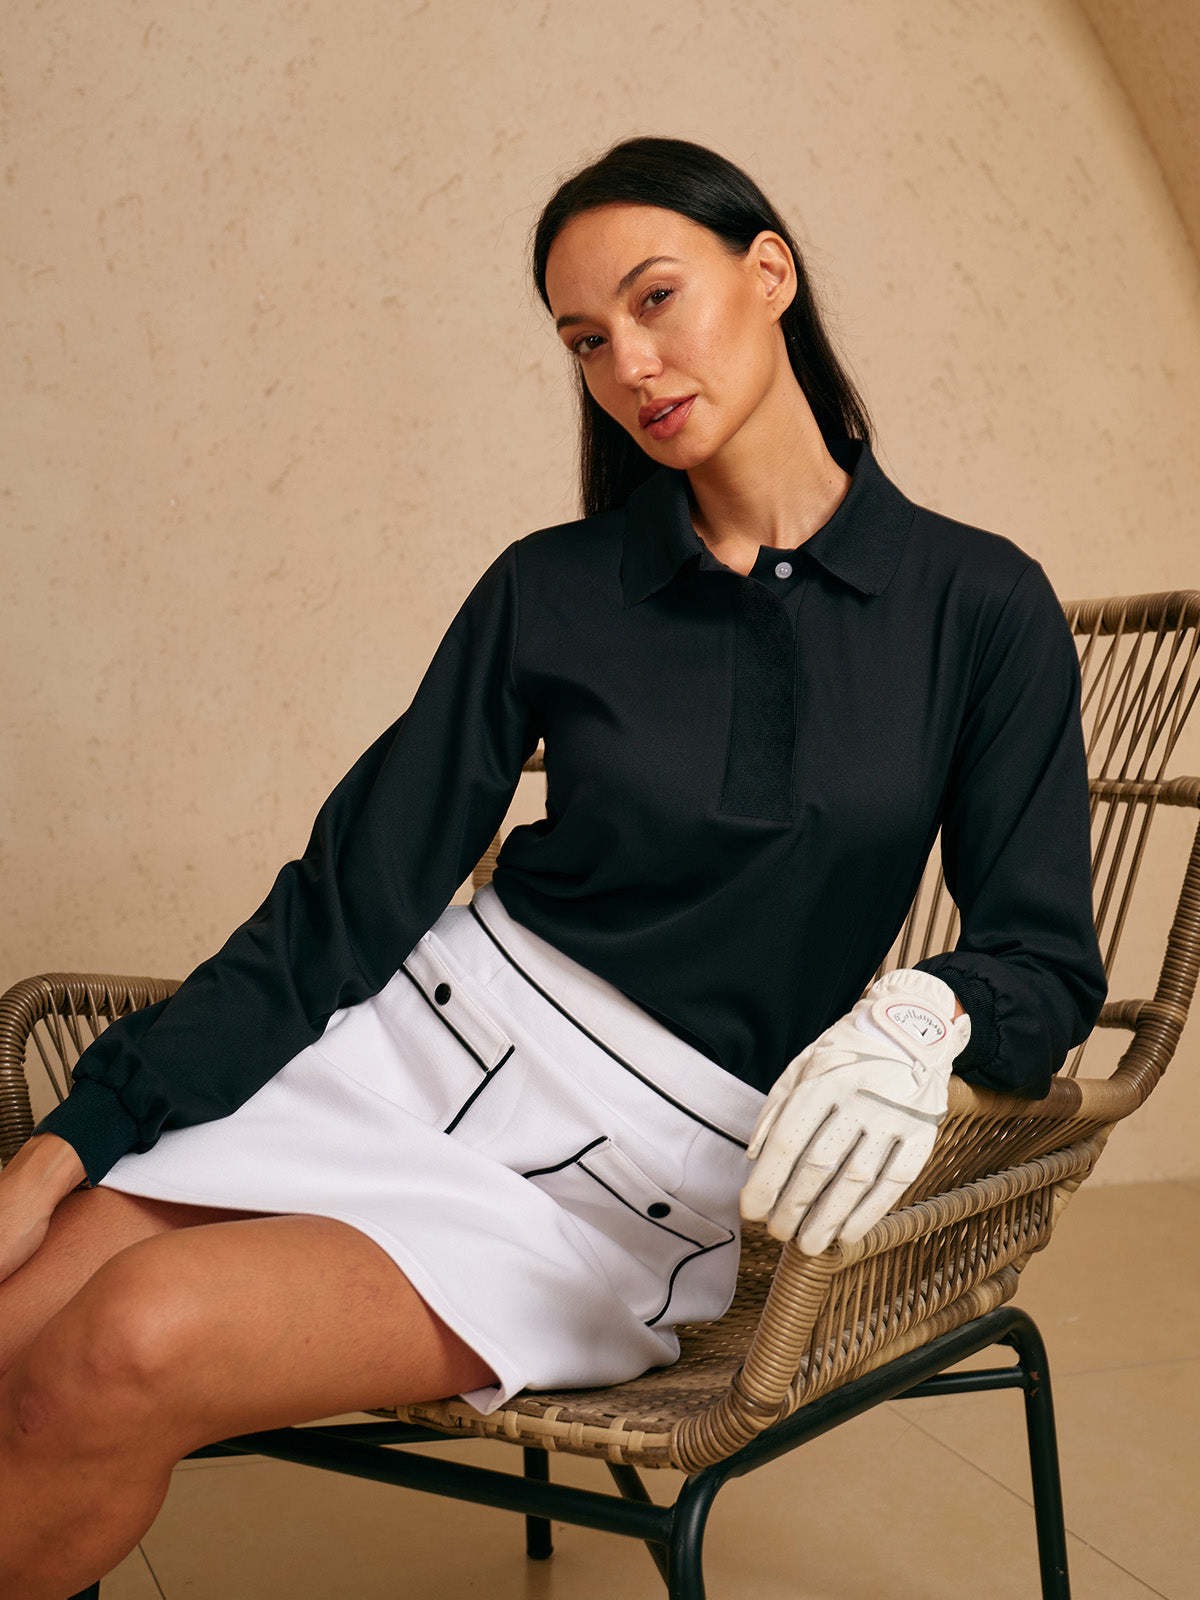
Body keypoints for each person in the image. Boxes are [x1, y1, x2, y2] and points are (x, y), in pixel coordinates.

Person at [0, 136, 1105, 1596]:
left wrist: (931, 1013)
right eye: (586, 339)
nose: (629, 365)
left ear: (770, 272)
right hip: (406, 1046)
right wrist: (68, 1145)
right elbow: (346, 902)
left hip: (621, 1184)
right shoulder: (554, 584)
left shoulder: (979, 603)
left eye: (656, 299)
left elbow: (1048, 961)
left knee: (129, 1340)